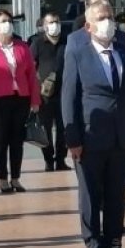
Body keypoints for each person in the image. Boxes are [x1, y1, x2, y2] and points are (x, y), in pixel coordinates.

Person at [62, 1, 125, 248]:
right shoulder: (78, 53)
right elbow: (69, 96)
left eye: (110, 17)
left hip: (121, 136)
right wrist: (72, 138)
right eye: (101, 17)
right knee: (91, 195)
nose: (108, 22)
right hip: (89, 136)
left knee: (117, 195)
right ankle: (95, 246)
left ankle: (115, 244)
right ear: (89, 25)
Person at [0, 10, 40, 193]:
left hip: (20, 98)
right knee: (1, 139)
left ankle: (16, 178)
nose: (8, 24)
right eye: (3, 21)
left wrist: (34, 100)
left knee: (17, 140)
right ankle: (3, 178)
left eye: (9, 21)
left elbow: (31, 76)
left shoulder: (22, 47)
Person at [29, 11, 70, 172]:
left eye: (57, 21)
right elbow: (31, 68)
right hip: (44, 95)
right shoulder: (37, 43)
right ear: (44, 26)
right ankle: (48, 160)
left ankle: (61, 160)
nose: (54, 25)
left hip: (64, 93)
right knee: (45, 129)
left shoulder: (67, 41)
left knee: (64, 129)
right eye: (51, 22)